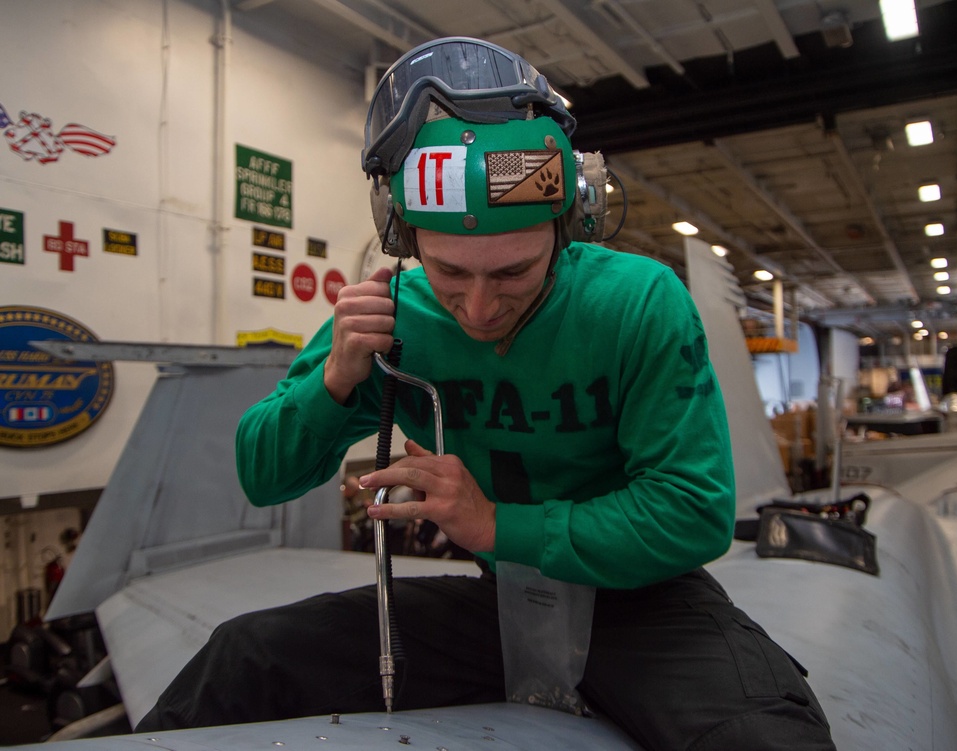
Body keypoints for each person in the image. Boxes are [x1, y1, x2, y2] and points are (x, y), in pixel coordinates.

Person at [136, 37, 835, 750]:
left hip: (645, 602)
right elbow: (262, 475)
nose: (475, 309)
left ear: (569, 225)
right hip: (506, 604)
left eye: (512, 273)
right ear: (400, 234)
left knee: (766, 737)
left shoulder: (638, 303)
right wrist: (334, 379)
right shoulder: (392, 313)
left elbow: (694, 512)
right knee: (245, 658)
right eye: (448, 273)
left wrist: (497, 526)